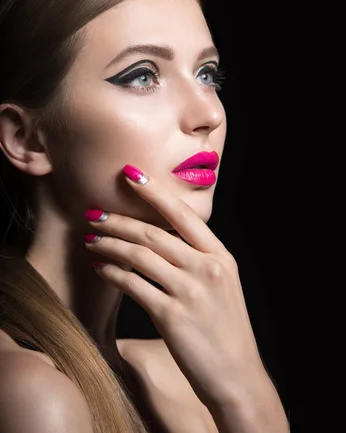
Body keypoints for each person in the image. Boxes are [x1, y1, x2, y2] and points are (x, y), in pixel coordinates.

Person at [0, 0, 289, 431]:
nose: (209, 115)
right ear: (27, 139)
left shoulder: (184, 379)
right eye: (142, 76)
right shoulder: (31, 392)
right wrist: (246, 401)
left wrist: (245, 387)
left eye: (207, 74)